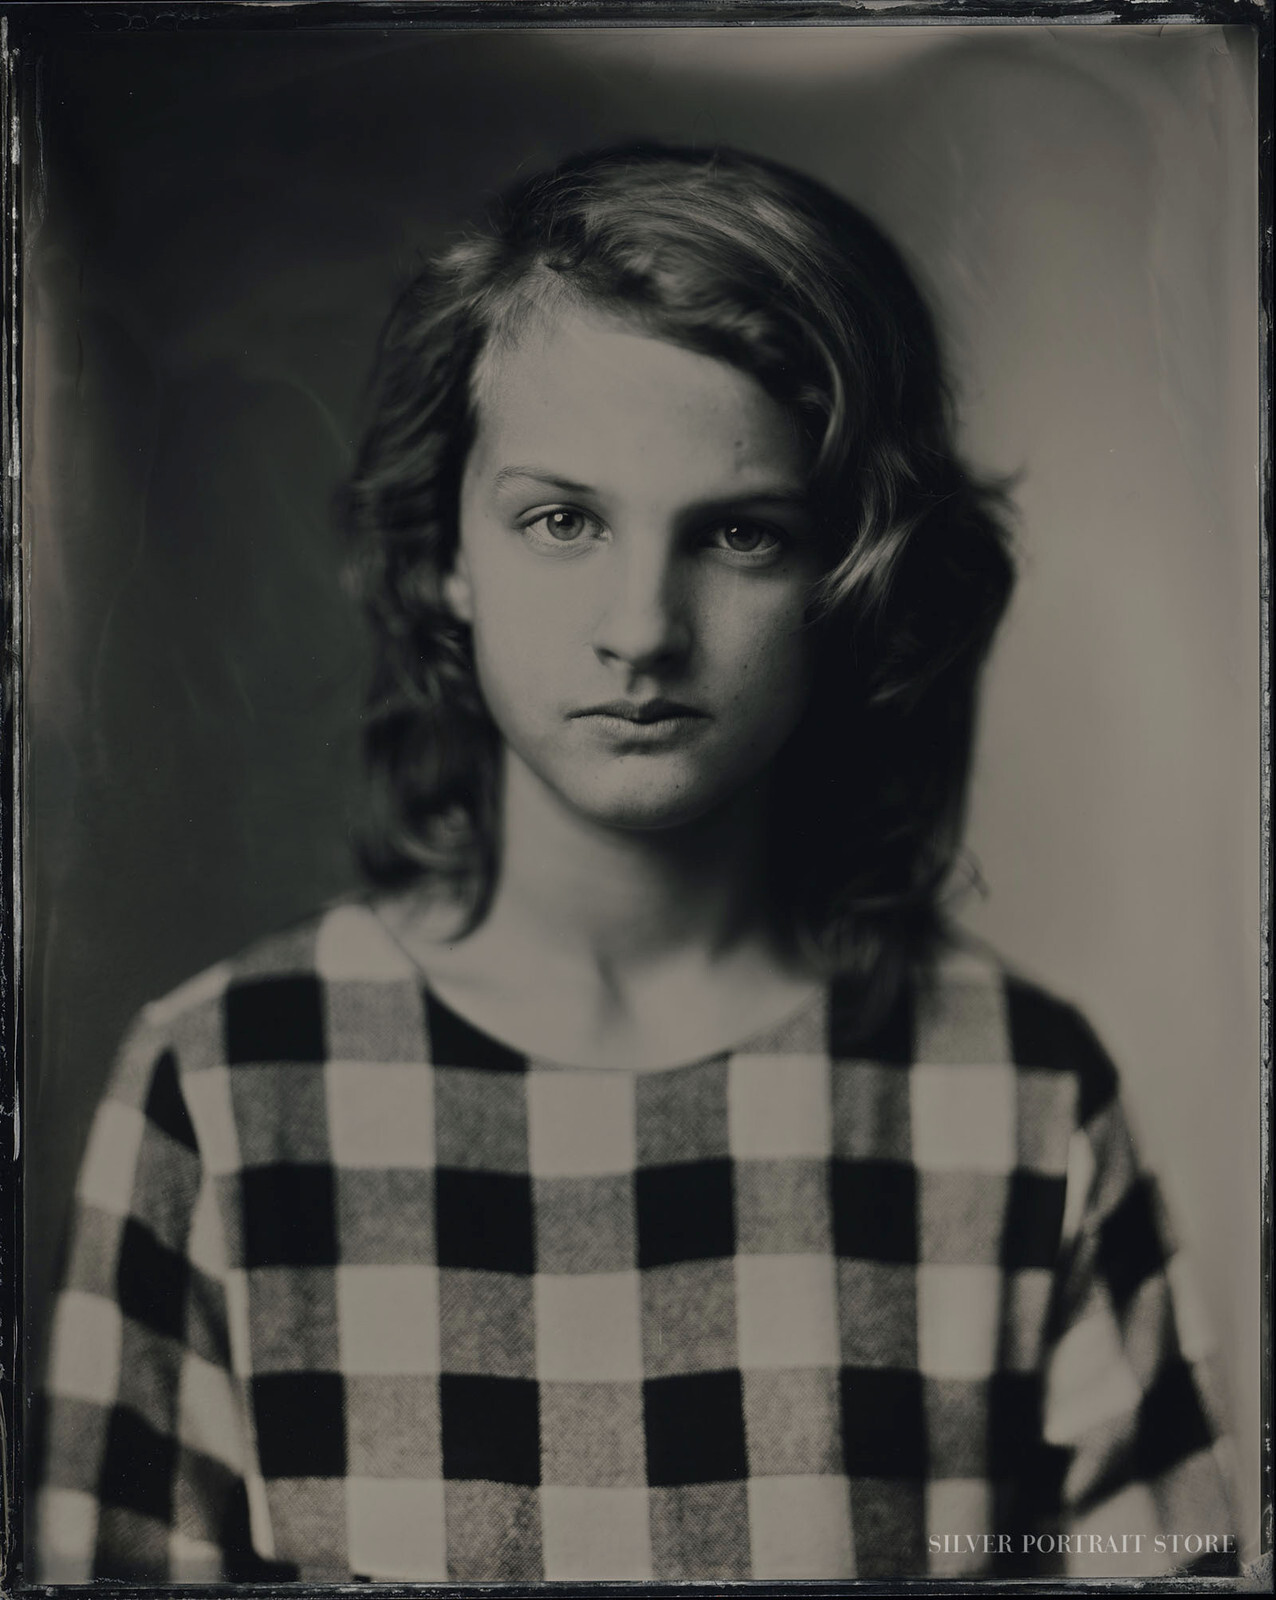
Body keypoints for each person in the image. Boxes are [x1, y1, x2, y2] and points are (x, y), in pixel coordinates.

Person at [33, 144, 1238, 1583]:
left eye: (739, 533)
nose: (641, 629)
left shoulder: (1021, 1096)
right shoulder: (223, 1088)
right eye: (562, 519)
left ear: (847, 578)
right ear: (449, 554)